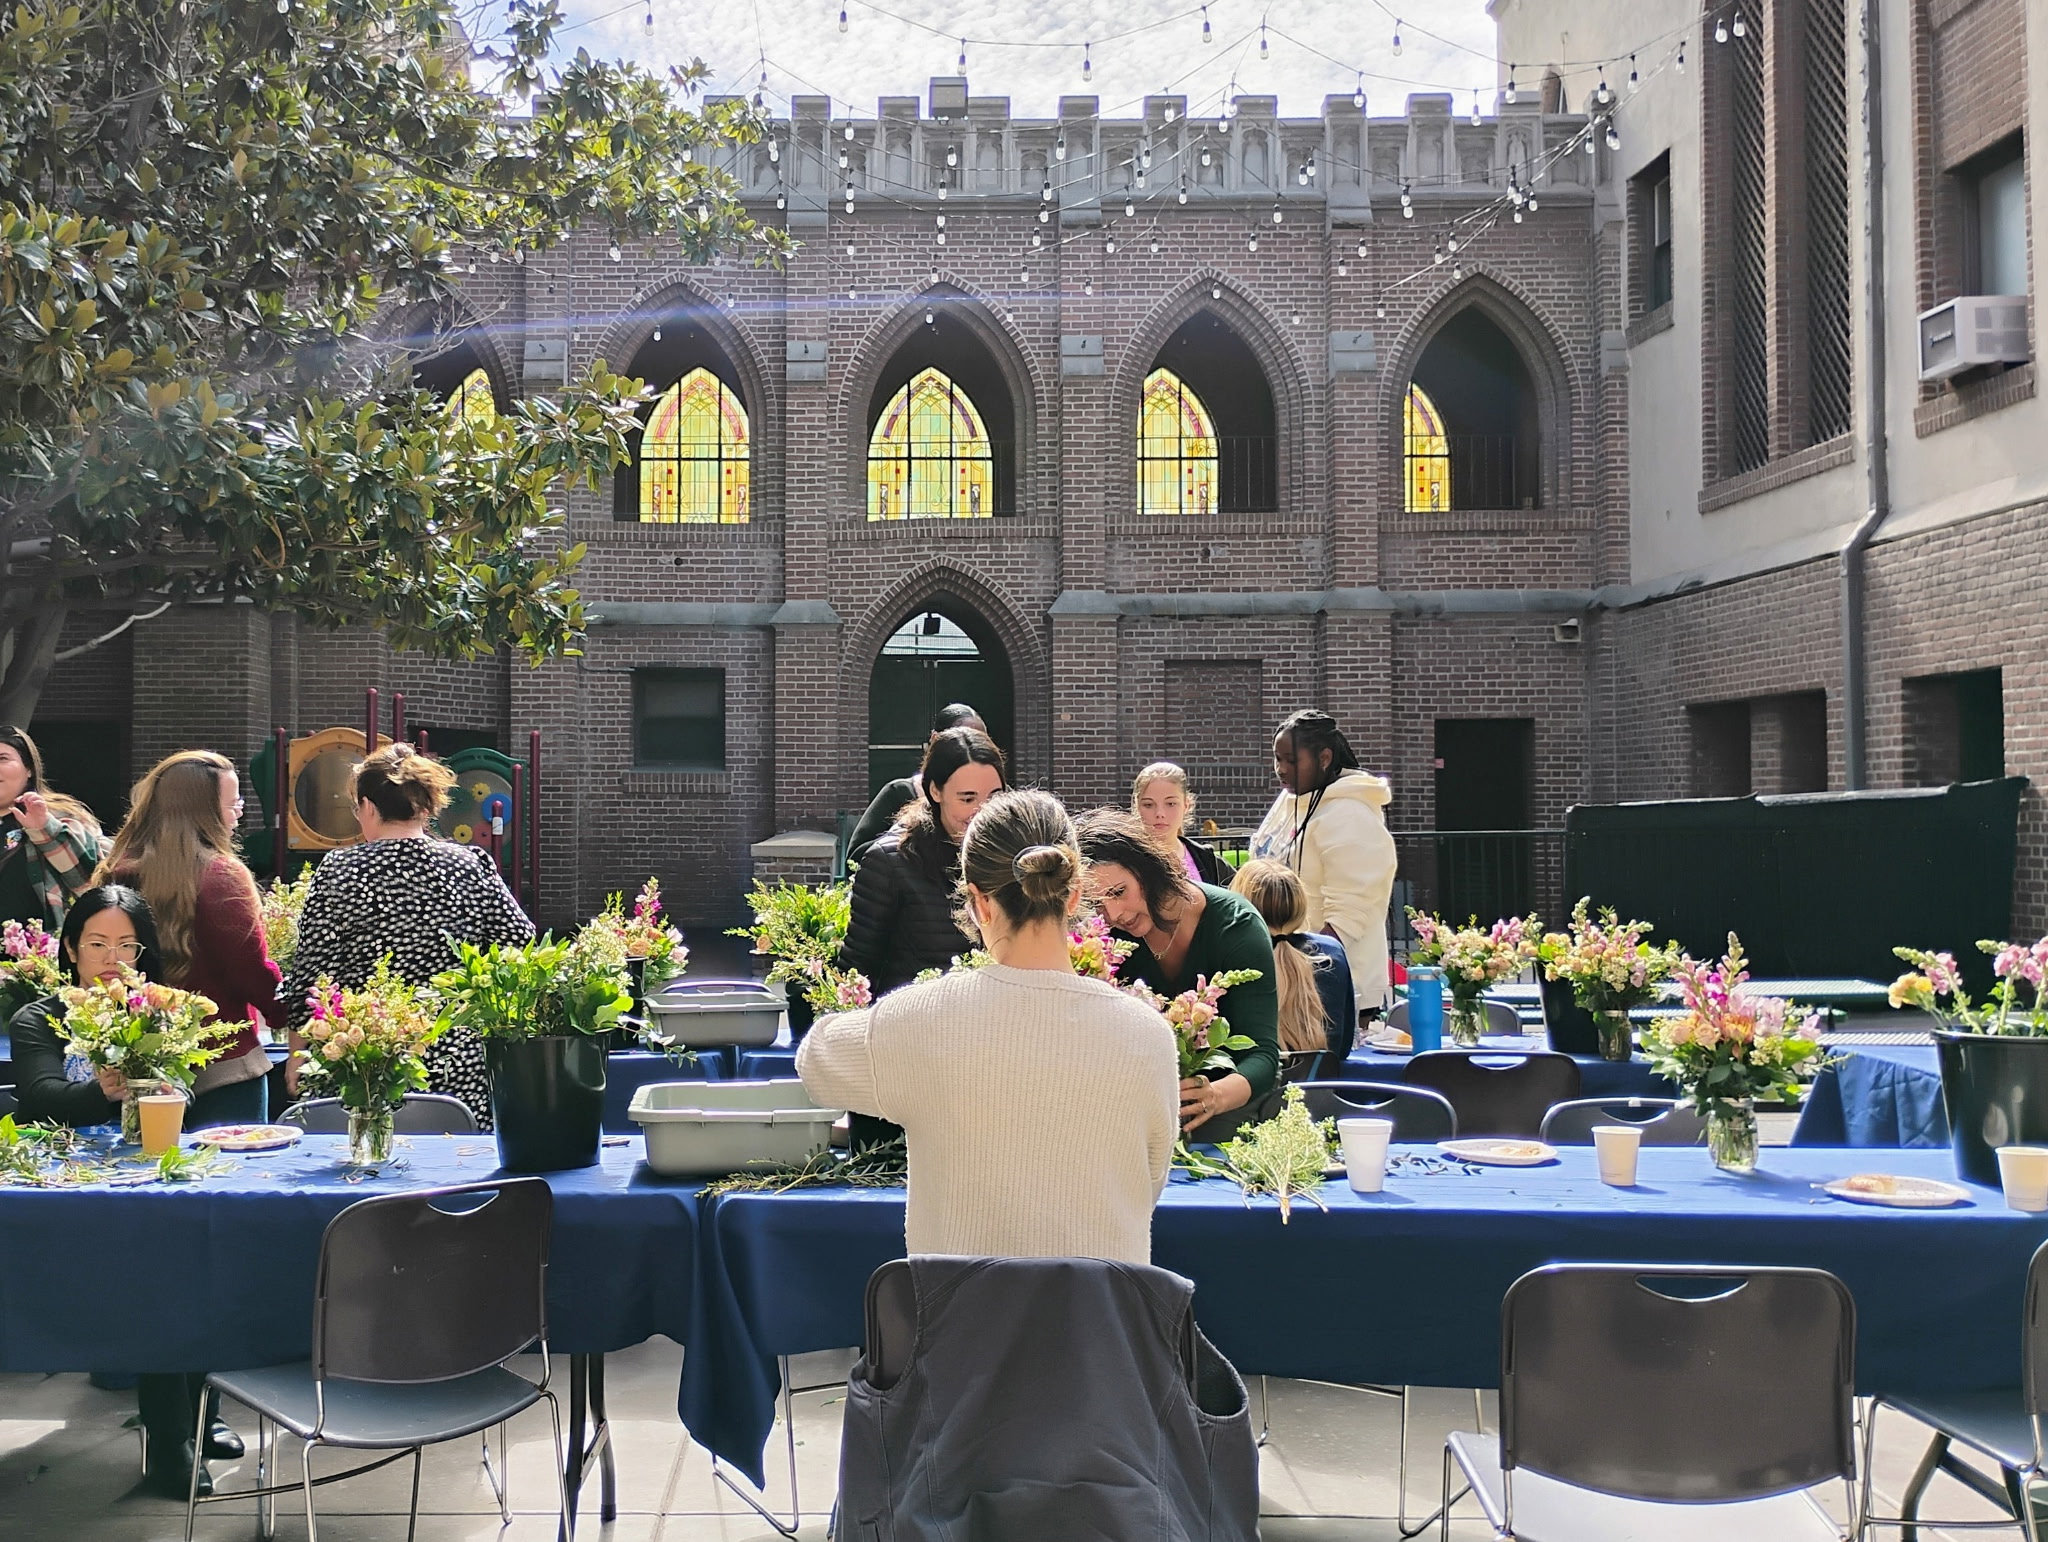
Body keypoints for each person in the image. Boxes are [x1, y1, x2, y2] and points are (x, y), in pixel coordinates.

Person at [799, 790, 1178, 1263]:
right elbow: (1149, 1180)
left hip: (958, 1307)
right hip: (1103, 1307)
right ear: (1075, 893)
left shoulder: (919, 1020)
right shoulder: (1147, 1034)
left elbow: (814, 1062)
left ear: (978, 903)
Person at [7, 885, 244, 1496]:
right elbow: (41, 1096)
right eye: (97, 943)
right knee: (158, 1276)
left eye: (127, 945)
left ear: (145, 952)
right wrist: (107, 1091)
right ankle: (173, 1440)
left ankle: (198, 1416)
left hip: (150, 1172)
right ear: (70, 947)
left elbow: (186, 1094)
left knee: (194, 1260)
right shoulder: (40, 1018)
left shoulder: (163, 1012)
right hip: (67, 1185)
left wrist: (164, 1088)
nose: (112, 958)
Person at [280, 744, 533, 1129]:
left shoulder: (339, 870)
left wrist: (299, 1055)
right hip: (457, 1058)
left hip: (365, 1056)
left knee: (364, 1156)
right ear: (426, 807)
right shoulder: (471, 865)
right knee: (458, 1159)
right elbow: (519, 943)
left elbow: (313, 974)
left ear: (367, 806)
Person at [95, 751, 282, 1126]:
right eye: (232, 803)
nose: (239, 813)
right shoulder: (222, 877)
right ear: (204, 812)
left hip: (138, 1065)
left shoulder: (115, 874)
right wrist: (291, 1011)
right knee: (233, 1163)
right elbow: (250, 971)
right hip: (224, 1065)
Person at [1076, 809, 1281, 1143]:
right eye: (1097, 903)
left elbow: (1263, 1057)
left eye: (1118, 892)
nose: (1112, 914)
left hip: (1228, 1111)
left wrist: (1213, 1097)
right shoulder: (1103, 937)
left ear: (1149, 869)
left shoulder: (1236, 926)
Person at [1248, 709, 1398, 1022]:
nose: (1281, 769)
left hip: (1334, 989)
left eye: (1292, 760)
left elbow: (1348, 917)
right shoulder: (1293, 798)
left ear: (1325, 758)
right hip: (1287, 979)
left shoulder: (1351, 814)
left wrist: (1301, 970)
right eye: (1277, 759)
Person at [1229, 859, 1356, 1078]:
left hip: (1248, 1092)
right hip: (1320, 1091)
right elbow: (1342, 1047)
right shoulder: (1331, 952)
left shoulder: (1230, 953)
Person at [846, 702, 987, 865]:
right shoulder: (900, 792)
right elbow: (856, 858)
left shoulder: (999, 796)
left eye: (981, 743)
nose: (972, 751)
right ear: (935, 739)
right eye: (962, 742)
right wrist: (913, 832)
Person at [0, 724, 108, 929]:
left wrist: (46, 830)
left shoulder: (65, 817)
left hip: (41, 946)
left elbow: (96, 887)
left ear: (29, 768)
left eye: (3, 758)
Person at [1131, 761, 1224, 886]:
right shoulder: (1125, 861)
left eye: (1170, 804)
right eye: (1148, 805)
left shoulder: (1206, 859)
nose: (1160, 813)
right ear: (1137, 807)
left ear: (1186, 805)